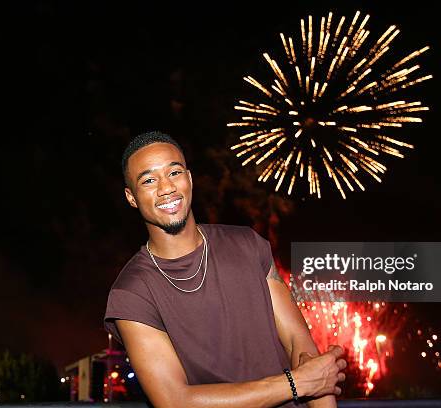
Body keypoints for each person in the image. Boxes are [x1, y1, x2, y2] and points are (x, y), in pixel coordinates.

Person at [104, 131, 347, 407]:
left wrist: (312, 384)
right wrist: (295, 383)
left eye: (174, 172)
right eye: (149, 180)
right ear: (131, 197)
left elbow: (300, 347)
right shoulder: (132, 293)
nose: (166, 188)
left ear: (189, 178)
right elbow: (174, 401)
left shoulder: (247, 244)